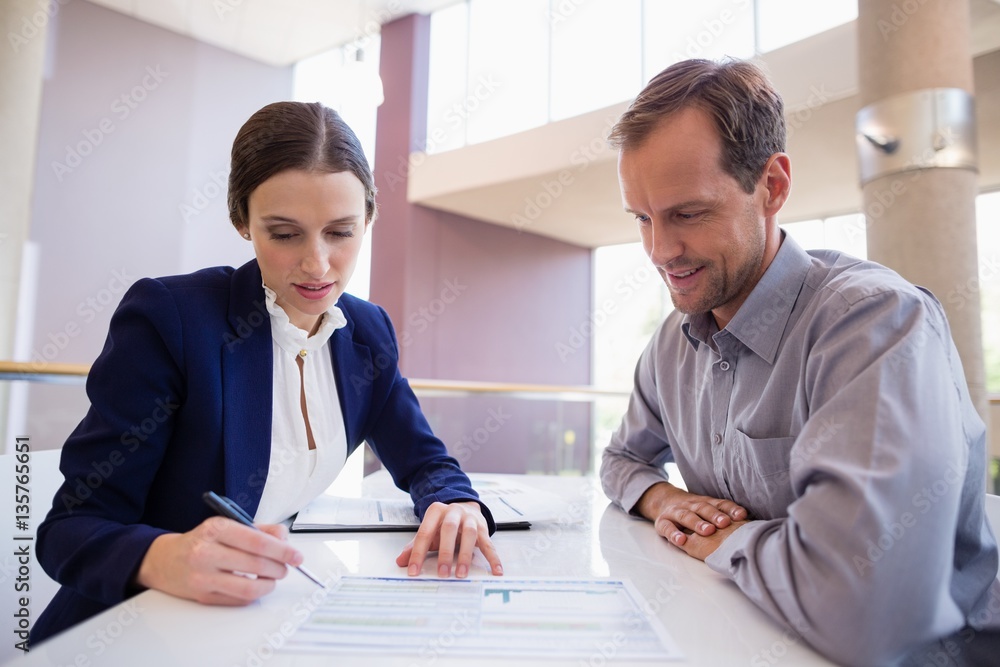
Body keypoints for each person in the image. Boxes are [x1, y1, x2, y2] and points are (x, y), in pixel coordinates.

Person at [33, 101, 503, 644]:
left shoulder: (367, 331)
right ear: (242, 222)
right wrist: (166, 557)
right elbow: (68, 530)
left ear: (369, 219)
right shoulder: (172, 319)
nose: (317, 264)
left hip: (257, 626)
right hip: (123, 634)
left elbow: (425, 460)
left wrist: (457, 503)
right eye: (284, 234)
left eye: (342, 231)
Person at [600, 58, 1000, 666]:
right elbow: (621, 459)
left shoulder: (874, 325)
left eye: (689, 213)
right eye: (643, 219)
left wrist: (724, 541)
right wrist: (664, 500)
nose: (660, 251)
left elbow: (860, 609)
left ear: (773, 186)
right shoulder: (673, 345)